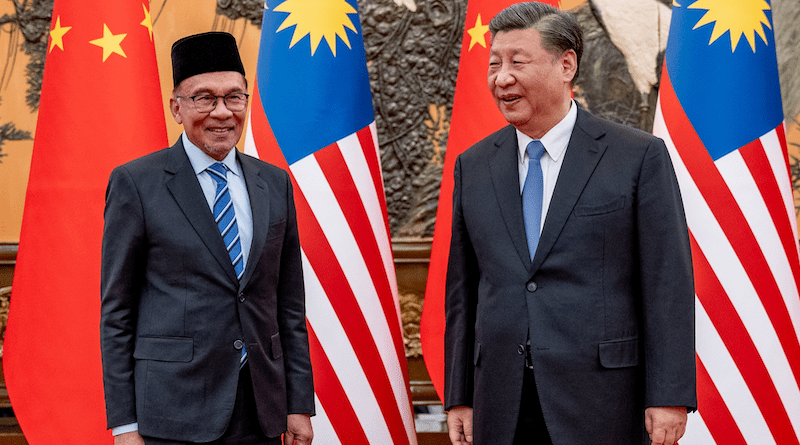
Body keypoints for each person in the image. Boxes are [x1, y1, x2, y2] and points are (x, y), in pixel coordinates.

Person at [443, 3, 696, 445]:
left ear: (566, 64)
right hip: (501, 403)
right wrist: (459, 395)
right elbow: (463, 292)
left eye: (518, 62)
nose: (502, 77)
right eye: (494, 63)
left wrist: (670, 395)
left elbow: (666, 283)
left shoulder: (636, 157)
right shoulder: (474, 165)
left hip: (602, 400)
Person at [100, 32, 314, 445]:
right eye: (204, 98)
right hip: (171, 414)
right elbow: (117, 314)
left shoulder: (274, 182)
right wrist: (124, 426)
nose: (222, 112)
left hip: (262, 412)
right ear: (176, 108)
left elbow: (289, 306)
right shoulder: (136, 184)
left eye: (234, 97)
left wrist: (298, 403)